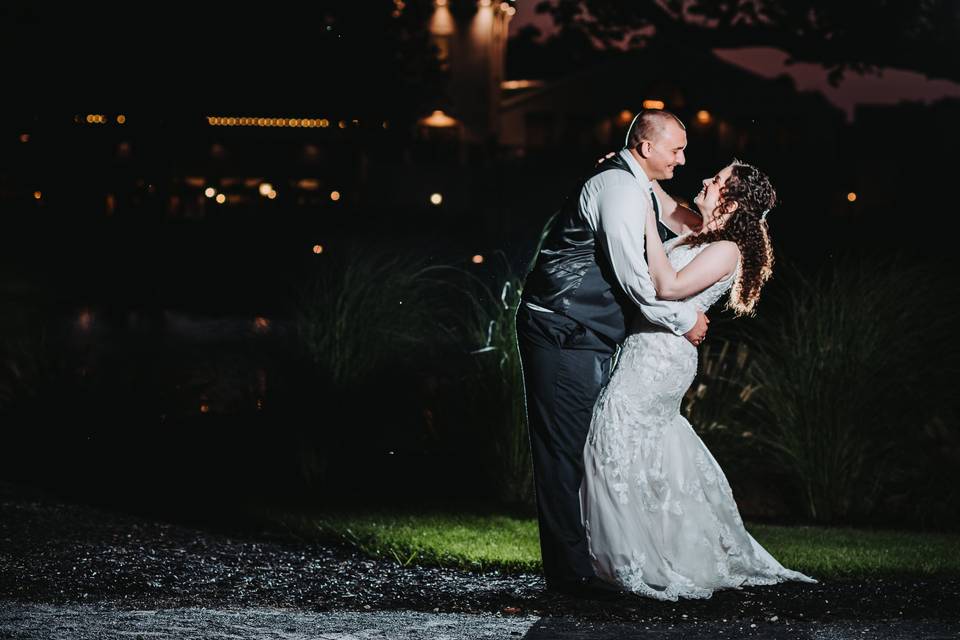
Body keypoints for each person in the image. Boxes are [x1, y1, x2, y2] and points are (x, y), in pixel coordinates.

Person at [580, 160, 818, 601]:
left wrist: (647, 225)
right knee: (643, 445)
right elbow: (663, 201)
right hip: (644, 349)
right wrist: (634, 169)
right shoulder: (698, 231)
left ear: (730, 199)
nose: (706, 181)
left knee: (613, 434)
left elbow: (669, 288)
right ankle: (647, 549)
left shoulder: (726, 249)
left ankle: (626, 557)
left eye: (717, 180)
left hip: (661, 359)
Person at [516, 110, 709, 599]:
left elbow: (675, 219)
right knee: (562, 452)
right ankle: (571, 576)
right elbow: (632, 276)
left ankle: (584, 564)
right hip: (563, 326)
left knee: (581, 447)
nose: (683, 158)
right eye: (676, 149)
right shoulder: (619, 188)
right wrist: (685, 321)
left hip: (583, 329)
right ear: (646, 148)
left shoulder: (634, 183)